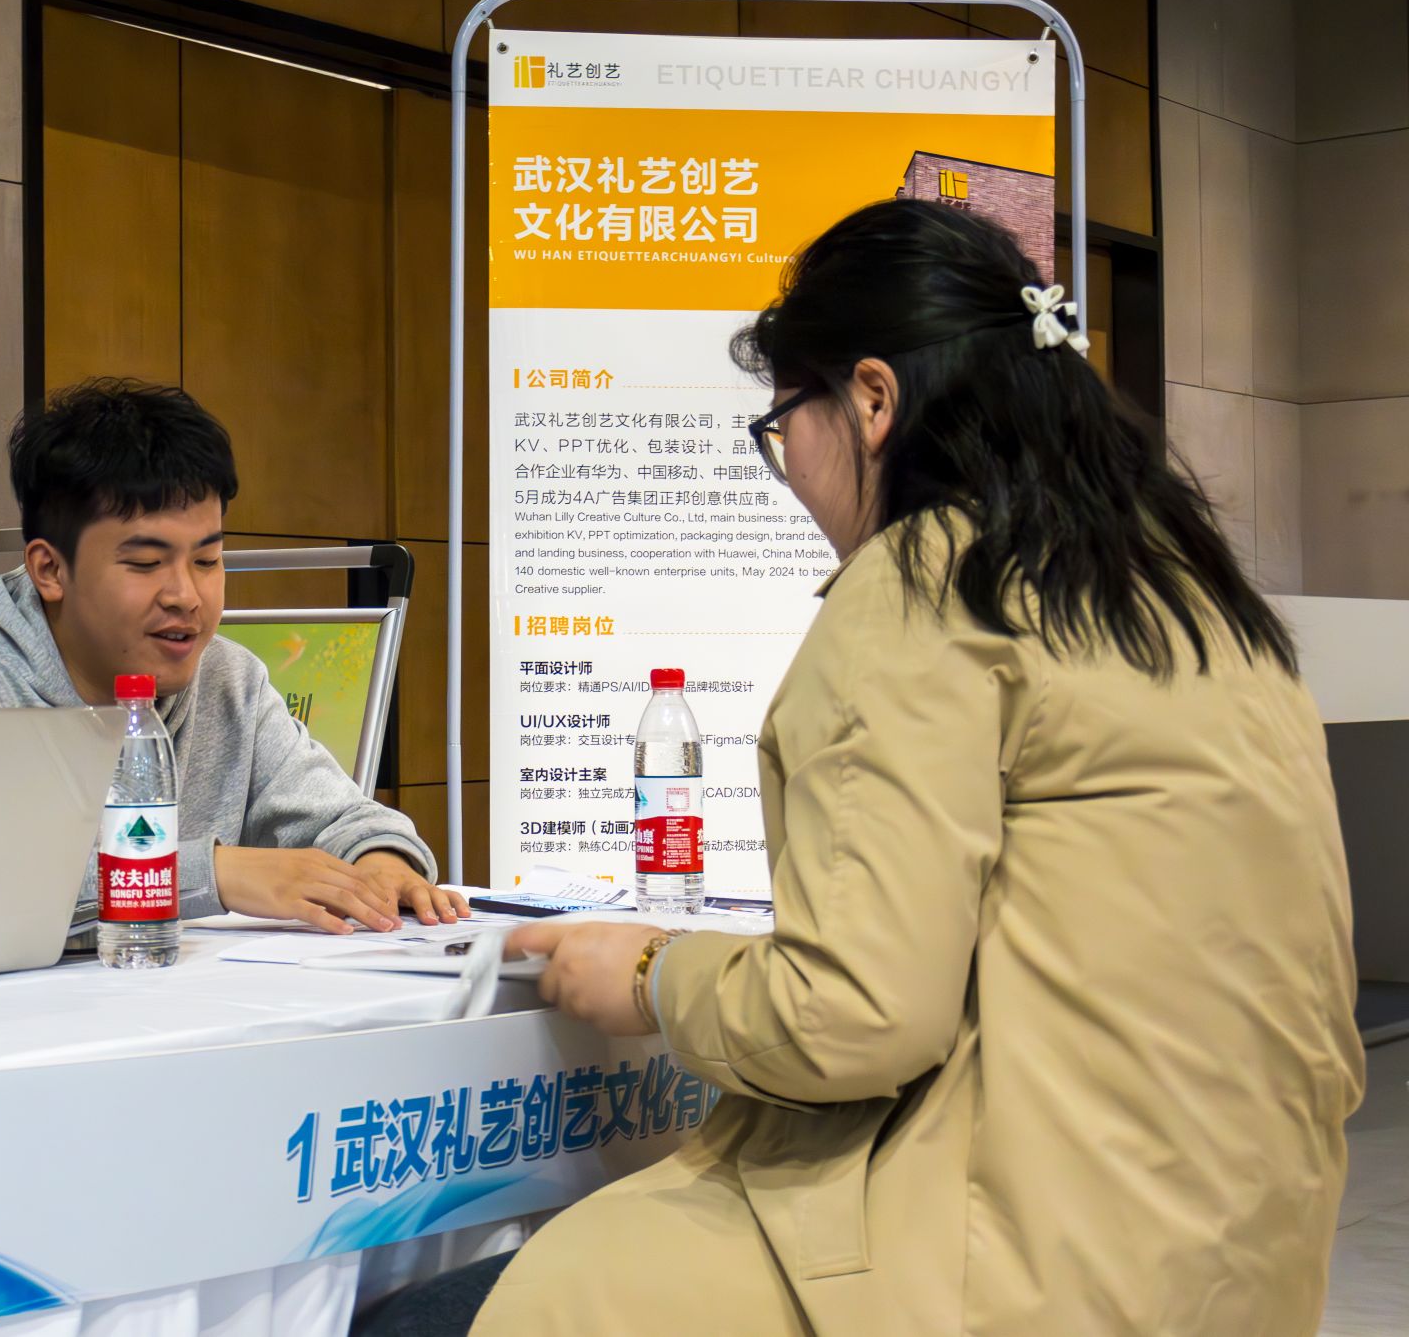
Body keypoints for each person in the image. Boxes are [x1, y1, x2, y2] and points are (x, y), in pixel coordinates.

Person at [367, 199, 1364, 1336]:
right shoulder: (1190, 595)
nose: (787, 465)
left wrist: (649, 974)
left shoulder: (930, 583)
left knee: (426, 1318)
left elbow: (853, 1015)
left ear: (873, 400)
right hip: (1235, 1260)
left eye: (783, 421)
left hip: (1013, 1265)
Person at [0, 378, 464, 934]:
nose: (186, 596)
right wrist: (211, 873)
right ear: (50, 569)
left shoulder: (229, 679)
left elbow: (347, 819)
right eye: (145, 564)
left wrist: (381, 862)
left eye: (207, 561)